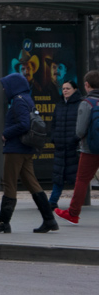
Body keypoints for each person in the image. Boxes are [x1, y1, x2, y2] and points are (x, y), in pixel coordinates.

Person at [0, 73, 57, 233]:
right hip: (26, 149)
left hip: (15, 149)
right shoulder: (27, 98)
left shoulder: (18, 101)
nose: (4, 88)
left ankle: (3, 222)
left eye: (5, 85)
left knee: (9, 184)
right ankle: (49, 220)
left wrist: (7, 133)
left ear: (13, 86)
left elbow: (24, 124)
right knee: (33, 184)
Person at [56, 70, 99, 225]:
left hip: (89, 149)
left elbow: (80, 130)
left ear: (87, 85)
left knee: (82, 180)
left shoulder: (86, 103)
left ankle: (73, 213)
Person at [49, 79, 83, 209]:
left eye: (68, 88)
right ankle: (52, 202)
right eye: (63, 89)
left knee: (76, 178)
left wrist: (75, 139)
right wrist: (54, 138)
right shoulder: (60, 105)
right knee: (58, 177)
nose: (65, 91)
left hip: (73, 148)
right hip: (60, 147)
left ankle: (76, 205)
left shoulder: (80, 104)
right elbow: (54, 124)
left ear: (75, 90)